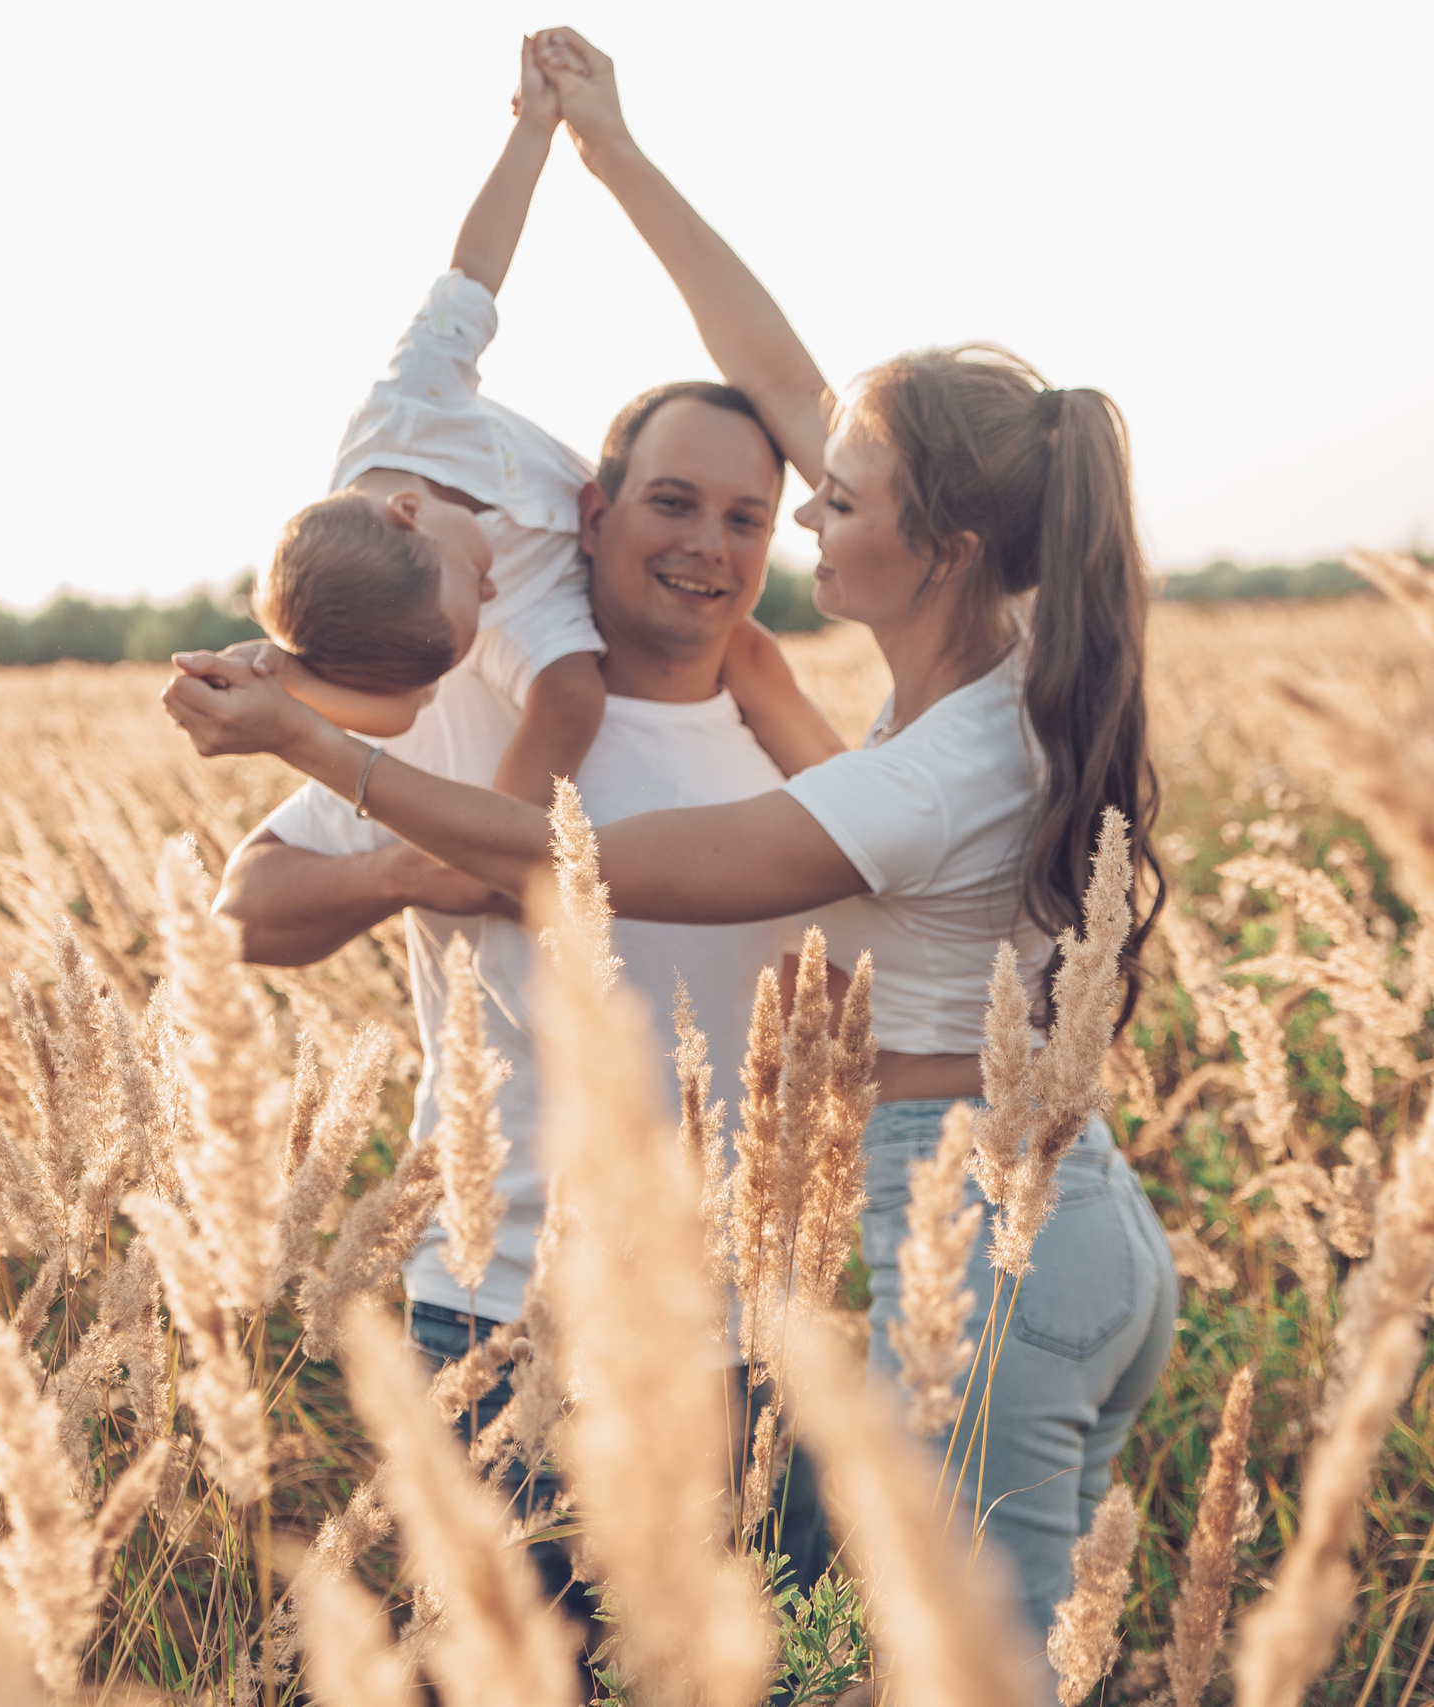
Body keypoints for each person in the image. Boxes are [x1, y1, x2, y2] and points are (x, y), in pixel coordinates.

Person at [164, 29, 1177, 1689]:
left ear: (935, 545)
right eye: (681, 506)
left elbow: (583, 858)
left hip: (919, 1257)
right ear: (594, 514)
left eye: (806, 507)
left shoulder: (915, 770)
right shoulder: (985, 657)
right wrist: (610, 151)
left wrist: (311, 741)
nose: (769, 533)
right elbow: (778, 370)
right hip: (955, 1230)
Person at [191, 37, 843, 1606]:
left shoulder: (790, 738)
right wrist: (438, 860)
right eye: (673, 503)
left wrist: (568, 137)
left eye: (745, 517)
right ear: (595, 509)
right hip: (497, 1316)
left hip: (756, 1327)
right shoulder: (485, 689)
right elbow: (252, 905)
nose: (706, 542)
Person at [234, 34, 831, 805]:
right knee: (574, 698)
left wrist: (532, 132)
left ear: (410, 512)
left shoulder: (412, 404)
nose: (486, 600)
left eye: (471, 586)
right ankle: (509, 839)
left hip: (622, 532)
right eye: (470, 622)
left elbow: (475, 270)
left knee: (750, 654)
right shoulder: (492, 603)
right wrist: (290, 681)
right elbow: (405, 707)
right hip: (558, 598)